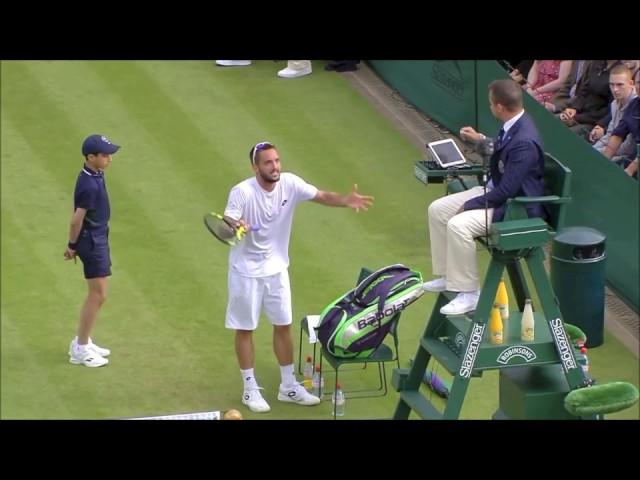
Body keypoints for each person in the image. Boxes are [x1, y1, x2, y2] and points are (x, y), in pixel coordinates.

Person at [224, 141, 374, 413]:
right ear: (255, 166)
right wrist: (237, 226)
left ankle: (288, 385)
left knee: (284, 325)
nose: (275, 166)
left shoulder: (290, 183)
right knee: (245, 329)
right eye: (268, 162)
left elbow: (321, 195)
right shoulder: (242, 192)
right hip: (245, 272)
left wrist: (344, 200)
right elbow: (226, 224)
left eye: (277, 161)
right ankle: (249, 389)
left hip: (277, 270)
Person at [422, 79, 544, 315]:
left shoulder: (524, 142)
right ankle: (449, 277)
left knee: (459, 225)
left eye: (491, 104)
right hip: (494, 193)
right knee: (437, 210)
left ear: (500, 107)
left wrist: (469, 204)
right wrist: (480, 140)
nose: (490, 107)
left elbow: (507, 192)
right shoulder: (513, 125)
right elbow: (500, 148)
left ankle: (469, 293)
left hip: (513, 208)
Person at [64, 134, 121, 367]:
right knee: (98, 295)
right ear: (90, 157)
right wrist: (72, 246)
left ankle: (83, 341)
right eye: (105, 155)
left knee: (100, 294)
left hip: (97, 237)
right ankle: (80, 348)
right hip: (92, 241)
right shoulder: (89, 184)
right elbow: (76, 220)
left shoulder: (95, 173)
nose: (109, 159)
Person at [590, 65, 637, 161]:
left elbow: (628, 148)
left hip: (628, 158)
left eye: (620, 84)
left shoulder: (636, 106)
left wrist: (601, 152)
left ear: (631, 83)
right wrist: (593, 149)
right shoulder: (614, 104)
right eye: (612, 84)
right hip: (611, 151)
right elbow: (610, 134)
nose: (615, 89)